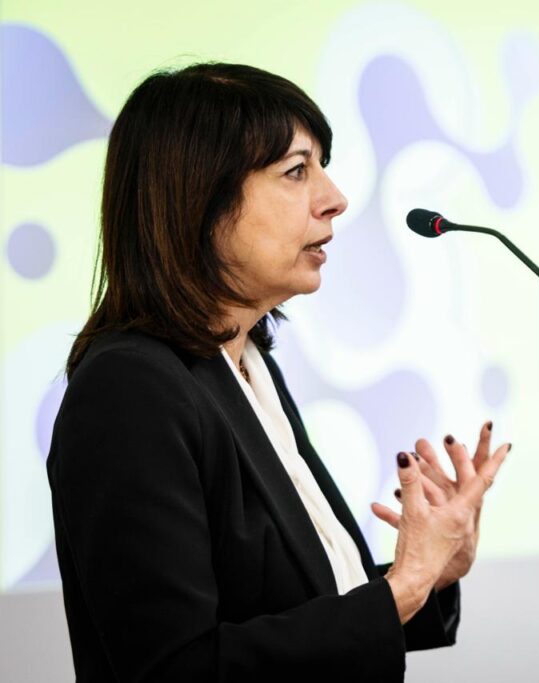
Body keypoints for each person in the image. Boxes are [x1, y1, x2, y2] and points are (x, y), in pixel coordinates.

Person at [46, 62, 509, 682]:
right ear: (198, 199)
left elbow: (300, 602)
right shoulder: (129, 392)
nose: (335, 198)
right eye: (296, 171)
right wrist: (402, 588)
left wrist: (429, 573)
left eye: (322, 166)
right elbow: (176, 669)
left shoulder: (245, 366)